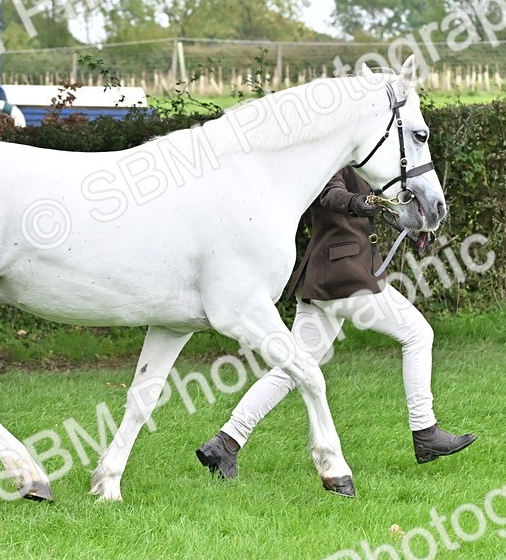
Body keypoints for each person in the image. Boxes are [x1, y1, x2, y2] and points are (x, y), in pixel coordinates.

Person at [196, 167, 476, 480]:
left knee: (293, 368)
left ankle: (226, 442)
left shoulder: (360, 156)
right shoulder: (333, 151)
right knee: (418, 334)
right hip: (344, 274)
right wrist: (363, 201)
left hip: (329, 276)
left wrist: (410, 224)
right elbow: (330, 194)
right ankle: (426, 433)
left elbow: (374, 203)